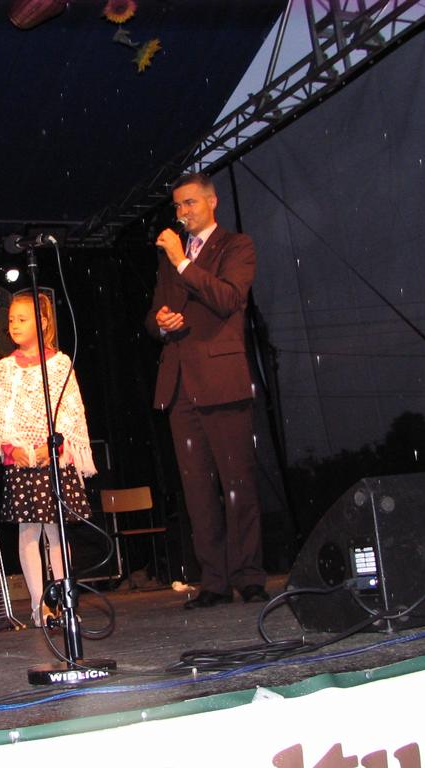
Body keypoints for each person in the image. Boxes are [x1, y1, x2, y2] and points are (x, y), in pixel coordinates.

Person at [146, 172, 268, 608]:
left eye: (190, 203)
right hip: (180, 385)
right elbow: (153, 316)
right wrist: (162, 323)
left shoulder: (236, 246)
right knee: (197, 490)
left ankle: (249, 575)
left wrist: (182, 261)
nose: (183, 213)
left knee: (238, 484)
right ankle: (213, 580)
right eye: (178, 206)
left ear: (212, 202)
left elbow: (228, 298)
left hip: (221, 380)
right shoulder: (170, 259)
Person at [0, 292, 96, 627]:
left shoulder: (59, 363)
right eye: (11, 320)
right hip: (21, 463)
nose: (15, 325)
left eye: (23, 319)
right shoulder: (4, 368)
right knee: (29, 532)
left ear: (43, 322)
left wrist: (56, 448)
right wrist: (11, 449)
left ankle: (64, 602)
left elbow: (71, 411)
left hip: (53, 460)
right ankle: (38, 605)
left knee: (56, 532)